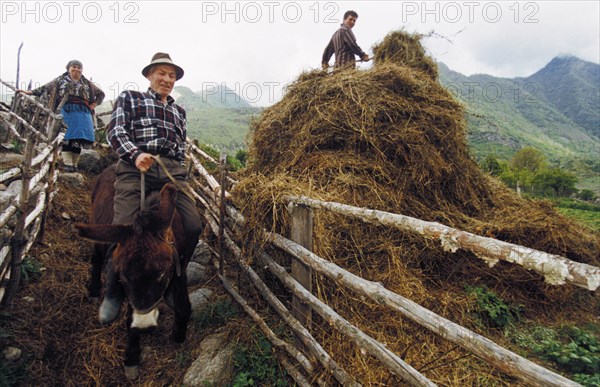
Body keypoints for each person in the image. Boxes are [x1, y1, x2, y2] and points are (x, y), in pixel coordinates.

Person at [100, 52, 203, 324]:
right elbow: (115, 131)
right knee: (123, 227)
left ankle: (173, 279)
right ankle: (112, 289)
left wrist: (177, 167)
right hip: (137, 166)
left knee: (193, 225)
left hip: (170, 171)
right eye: (162, 73)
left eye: (172, 75)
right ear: (149, 75)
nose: (167, 79)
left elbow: (180, 147)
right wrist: (135, 154)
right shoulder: (131, 98)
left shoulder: (178, 111)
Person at [19, 60, 105, 172]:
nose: (77, 69)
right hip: (67, 110)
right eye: (74, 67)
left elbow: (101, 94)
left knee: (78, 139)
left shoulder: (87, 83)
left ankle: (75, 164)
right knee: (68, 136)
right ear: (68, 68)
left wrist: (93, 104)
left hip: (83, 112)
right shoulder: (60, 80)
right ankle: (68, 163)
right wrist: (29, 92)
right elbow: (45, 88)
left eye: (79, 67)